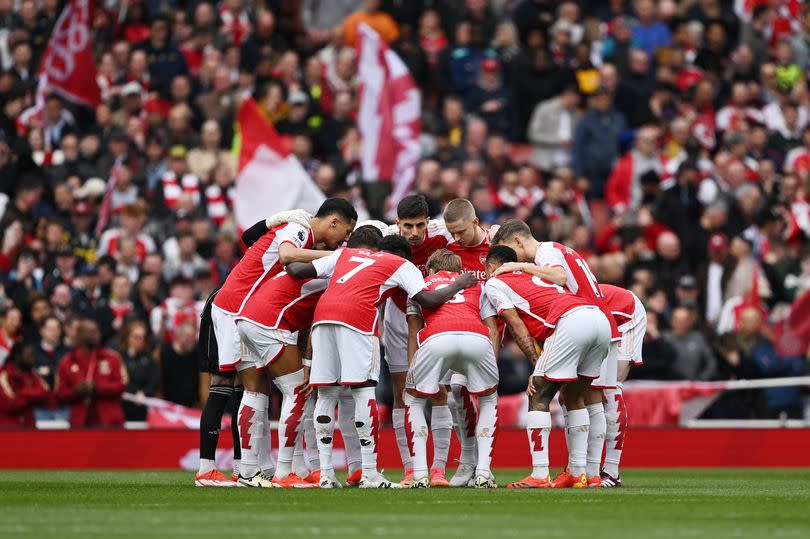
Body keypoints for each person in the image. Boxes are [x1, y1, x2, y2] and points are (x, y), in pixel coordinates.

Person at [286, 232, 477, 488]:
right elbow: (429, 299)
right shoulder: (402, 265)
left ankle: (327, 475)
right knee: (363, 392)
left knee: (327, 395)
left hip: (322, 319)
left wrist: (327, 257)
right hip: (357, 319)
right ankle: (369, 473)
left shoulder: (346, 254)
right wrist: (459, 284)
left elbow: (297, 269)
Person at [195, 199, 356, 487]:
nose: (345, 239)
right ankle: (227, 470)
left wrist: (272, 220)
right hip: (235, 307)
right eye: (346, 230)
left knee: (255, 388)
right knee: (239, 388)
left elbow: (255, 243)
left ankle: (248, 469)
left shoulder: (297, 228)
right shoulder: (299, 227)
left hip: (243, 309)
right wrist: (337, 260)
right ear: (333, 222)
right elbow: (287, 256)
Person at [491, 219, 620, 488]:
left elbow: (559, 278)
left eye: (511, 253)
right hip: (601, 321)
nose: (511, 260)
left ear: (517, 241)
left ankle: (540, 474)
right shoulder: (560, 252)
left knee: (542, 392)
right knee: (581, 397)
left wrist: (519, 265)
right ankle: (586, 473)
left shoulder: (545, 253)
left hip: (574, 320)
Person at [404, 249, 500, 488]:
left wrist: (412, 370)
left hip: (437, 338)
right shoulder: (477, 286)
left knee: (414, 401)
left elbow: (414, 331)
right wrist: (491, 365)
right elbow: (493, 329)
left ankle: (419, 474)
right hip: (478, 339)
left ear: (432, 270)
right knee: (488, 400)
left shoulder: (420, 283)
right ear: (459, 271)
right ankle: (484, 473)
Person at [381, 195, 454, 487]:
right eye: (407, 226)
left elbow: (483, 233)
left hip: (435, 315)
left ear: (428, 222)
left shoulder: (443, 233)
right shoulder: (384, 236)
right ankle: (410, 467)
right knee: (403, 391)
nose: (413, 233)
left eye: (419, 225)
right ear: (397, 223)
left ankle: (438, 469)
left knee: (439, 391)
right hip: (397, 316)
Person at [442, 198, 498, 486]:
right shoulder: (449, 249)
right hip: (461, 330)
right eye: (451, 232)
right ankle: (468, 461)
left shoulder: (497, 244)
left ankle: (482, 466)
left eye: (461, 231)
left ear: (476, 223)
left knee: (487, 395)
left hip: (493, 331)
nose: (456, 238)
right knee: (456, 392)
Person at [598, 284, 647, 488]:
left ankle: (612, 470)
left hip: (625, 315)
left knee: (611, 386)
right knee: (583, 390)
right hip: (601, 319)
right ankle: (581, 468)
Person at [55, 318, 127, 428]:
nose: (96, 335)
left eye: (96, 331)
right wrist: (77, 390)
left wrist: (97, 387)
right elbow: (60, 393)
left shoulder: (112, 358)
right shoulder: (67, 362)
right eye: (90, 331)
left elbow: (121, 385)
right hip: (80, 421)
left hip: (109, 421)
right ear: (79, 335)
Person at [117, 320, 158, 422]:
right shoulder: (119, 357)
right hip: (122, 405)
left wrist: (144, 392)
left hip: (141, 406)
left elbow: (153, 382)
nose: (140, 341)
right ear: (127, 338)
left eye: (142, 337)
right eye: (136, 337)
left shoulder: (149, 359)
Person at [0, 343, 49, 427]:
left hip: (29, 426)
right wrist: (32, 397)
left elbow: (46, 395)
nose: (32, 359)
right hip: (8, 428)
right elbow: (10, 404)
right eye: (28, 356)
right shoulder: (4, 375)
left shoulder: (32, 374)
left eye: (32, 355)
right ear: (17, 357)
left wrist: (23, 393)